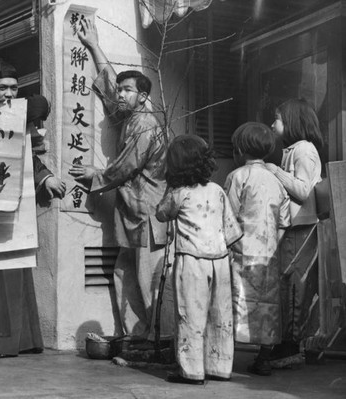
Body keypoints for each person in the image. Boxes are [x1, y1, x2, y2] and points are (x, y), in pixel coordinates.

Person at [70, 18, 170, 342]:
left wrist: (95, 174)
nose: (122, 95)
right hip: (128, 211)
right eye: (123, 90)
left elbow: (125, 167)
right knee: (123, 272)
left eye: (129, 91)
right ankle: (133, 337)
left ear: (142, 97)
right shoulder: (129, 116)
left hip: (146, 213)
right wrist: (94, 46)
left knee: (143, 277)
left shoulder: (145, 124)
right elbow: (111, 89)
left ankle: (148, 339)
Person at [0, 60, 66, 357]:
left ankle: (23, 339)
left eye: (14, 88)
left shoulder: (19, 115)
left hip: (17, 203)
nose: (9, 94)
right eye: (2, 88)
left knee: (17, 266)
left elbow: (30, 151)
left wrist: (46, 177)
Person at [156, 135, 242, 385]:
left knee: (190, 316)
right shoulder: (217, 190)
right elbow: (231, 231)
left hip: (192, 262)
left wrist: (168, 187)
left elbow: (161, 213)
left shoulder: (178, 194)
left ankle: (192, 371)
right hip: (220, 260)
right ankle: (220, 366)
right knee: (220, 315)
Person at [224, 122, 291, 376]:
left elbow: (228, 217)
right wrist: (274, 244)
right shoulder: (277, 181)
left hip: (241, 251)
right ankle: (263, 358)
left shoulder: (237, 177)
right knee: (269, 306)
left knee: (235, 302)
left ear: (240, 150)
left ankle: (226, 359)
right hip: (269, 254)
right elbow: (284, 222)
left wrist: (230, 248)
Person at [265, 98, 323, 368]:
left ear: (291, 122)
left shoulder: (303, 150)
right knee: (288, 285)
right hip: (294, 227)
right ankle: (287, 342)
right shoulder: (292, 149)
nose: (272, 124)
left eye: (276, 119)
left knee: (297, 287)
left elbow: (302, 190)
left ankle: (293, 344)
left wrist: (275, 171)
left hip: (303, 227)